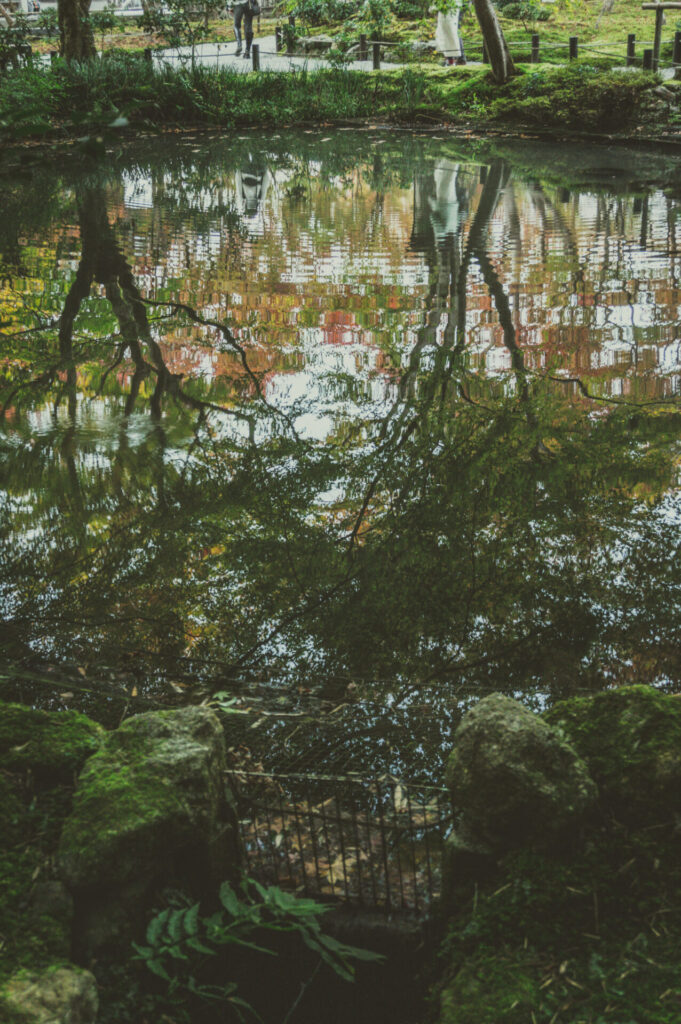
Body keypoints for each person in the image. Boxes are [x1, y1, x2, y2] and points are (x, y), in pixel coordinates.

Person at [434, 0, 466, 66]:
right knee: (444, 30)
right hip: (445, 7)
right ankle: (449, 58)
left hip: (455, 6)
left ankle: (460, 58)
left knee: (454, 31)